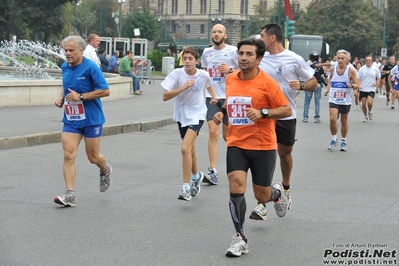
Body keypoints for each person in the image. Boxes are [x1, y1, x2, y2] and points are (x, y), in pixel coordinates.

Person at [213, 38, 292, 257]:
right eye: (241, 53)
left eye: (249, 54)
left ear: (259, 59)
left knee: (262, 195)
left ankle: (276, 193)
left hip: (262, 146)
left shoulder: (267, 83)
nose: (244, 58)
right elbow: (232, 103)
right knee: (236, 184)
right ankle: (240, 237)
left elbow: (285, 110)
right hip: (237, 143)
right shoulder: (230, 79)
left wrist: (264, 113)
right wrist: (223, 112)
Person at [258, 23, 317, 211]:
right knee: (263, 156)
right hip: (264, 116)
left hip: (286, 114)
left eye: (262, 36)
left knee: (284, 154)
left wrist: (302, 85)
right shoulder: (260, 58)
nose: (260, 39)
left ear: (272, 38)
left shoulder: (294, 59)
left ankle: (286, 188)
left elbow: (313, 82)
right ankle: (262, 200)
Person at [53, 35, 112, 207]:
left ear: (81, 50)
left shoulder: (91, 68)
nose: (68, 54)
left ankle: (105, 169)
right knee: (68, 153)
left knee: (93, 157)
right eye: (66, 51)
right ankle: (69, 194)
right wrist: (61, 98)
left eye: (71, 50)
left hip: (92, 118)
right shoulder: (65, 66)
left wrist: (82, 97)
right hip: (71, 119)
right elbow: (67, 86)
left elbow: (105, 91)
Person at [161, 46, 219, 201]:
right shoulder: (177, 74)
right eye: (184, 58)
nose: (186, 61)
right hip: (181, 115)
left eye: (190, 59)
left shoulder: (203, 74)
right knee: (191, 149)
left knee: (185, 148)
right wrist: (183, 87)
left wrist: (214, 96)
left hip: (198, 114)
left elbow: (209, 83)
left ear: (197, 61)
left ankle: (185, 186)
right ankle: (196, 176)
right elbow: (165, 96)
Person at [200, 24, 239, 185]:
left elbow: (245, 72)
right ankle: (213, 171)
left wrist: (229, 70)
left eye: (220, 32)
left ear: (225, 35)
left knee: (227, 136)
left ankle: (236, 167)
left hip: (230, 97)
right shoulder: (206, 52)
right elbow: (203, 74)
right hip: (212, 97)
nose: (216, 34)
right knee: (213, 133)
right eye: (214, 32)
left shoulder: (233, 51)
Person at [324, 49, 359, 152]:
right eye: (338, 58)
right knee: (332, 119)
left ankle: (343, 140)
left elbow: (358, 84)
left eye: (342, 58)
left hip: (345, 100)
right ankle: (334, 139)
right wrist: (328, 89)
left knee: (344, 121)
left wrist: (352, 85)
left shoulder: (350, 70)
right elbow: (330, 79)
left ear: (346, 59)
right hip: (333, 98)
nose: (340, 60)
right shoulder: (333, 69)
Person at [357, 55, 381, 122]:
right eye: (367, 60)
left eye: (369, 60)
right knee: (364, 104)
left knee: (370, 102)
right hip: (363, 88)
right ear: (365, 61)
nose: (368, 61)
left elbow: (379, 78)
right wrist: (359, 84)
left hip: (371, 88)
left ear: (372, 61)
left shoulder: (375, 69)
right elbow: (358, 78)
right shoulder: (362, 69)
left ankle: (369, 111)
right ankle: (365, 116)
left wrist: (376, 83)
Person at [303, 51, 324, 123]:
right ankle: (317, 117)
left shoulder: (306, 64)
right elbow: (322, 72)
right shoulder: (319, 65)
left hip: (309, 84)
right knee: (317, 101)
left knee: (307, 101)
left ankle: (305, 117)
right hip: (317, 84)